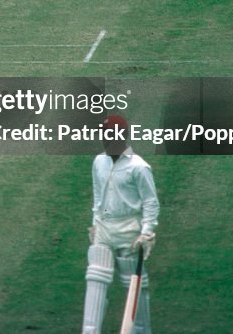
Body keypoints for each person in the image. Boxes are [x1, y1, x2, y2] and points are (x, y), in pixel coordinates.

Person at [81, 115, 159, 334]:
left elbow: (150, 202)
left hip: (129, 231)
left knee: (134, 286)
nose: (104, 140)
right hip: (104, 228)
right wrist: (95, 223)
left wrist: (146, 232)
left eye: (108, 135)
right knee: (95, 277)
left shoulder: (139, 167)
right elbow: (98, 195)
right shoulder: (99, 162)